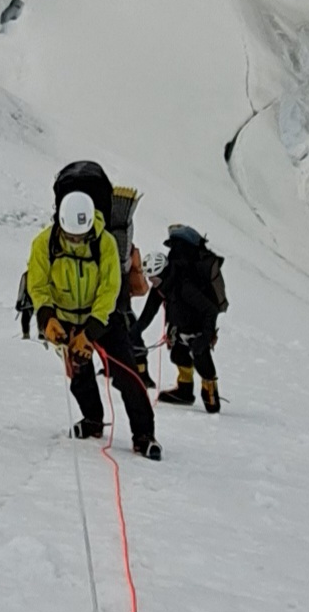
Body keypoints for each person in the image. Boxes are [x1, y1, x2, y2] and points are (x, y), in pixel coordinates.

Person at [26, 187, 162, 460]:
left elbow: (109, 290)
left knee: (127, 374)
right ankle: (92, 420)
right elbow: (38, 285)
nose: (76, 240)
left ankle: (144, 434)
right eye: (70, 235)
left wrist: (89, 333)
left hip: (103, 319)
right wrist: (47, 318)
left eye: (81, 235)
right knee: (79, 372)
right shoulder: (44, 244)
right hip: (64, 318)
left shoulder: (106, 243)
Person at [137, 224, 227, 413]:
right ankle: (185, 391)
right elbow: (148, 314)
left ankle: (211, 395)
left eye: (154, 279)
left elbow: (211, 310)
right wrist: (134, 332)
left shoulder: (184, 287)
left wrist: (206, 336)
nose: (152, 283)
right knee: (178, 353)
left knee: (201, 358)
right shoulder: (162, 287)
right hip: (181, 328)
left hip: (199, 329)